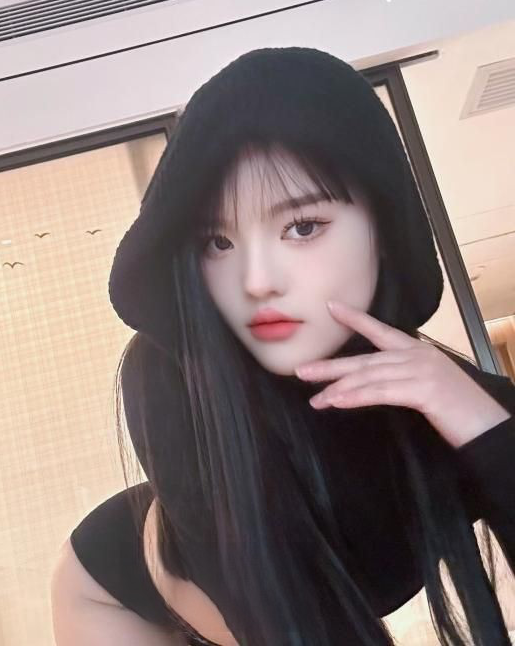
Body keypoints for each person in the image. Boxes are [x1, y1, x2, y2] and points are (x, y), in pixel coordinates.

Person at [51, 47, 515, 645]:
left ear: (383, 228)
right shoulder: (173, 381)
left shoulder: (462, 397)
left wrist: (480, 423)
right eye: (218, 243)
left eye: (302, 227)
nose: (256, 281)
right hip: (120, 598)